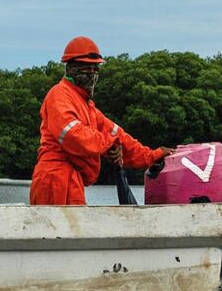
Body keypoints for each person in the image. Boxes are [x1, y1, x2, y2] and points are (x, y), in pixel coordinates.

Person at [30, 36, 173, 205]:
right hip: (55, 178)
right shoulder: (59, 96)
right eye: (86, 68)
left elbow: (118, 135)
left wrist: (153, 155)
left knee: (73, 230)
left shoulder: (87, 106)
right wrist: (109, 143)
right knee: (58, 231)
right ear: (70, 68)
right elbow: (71, 135)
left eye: (95, 69)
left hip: (71, 179)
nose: (91, 74)